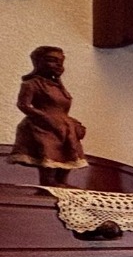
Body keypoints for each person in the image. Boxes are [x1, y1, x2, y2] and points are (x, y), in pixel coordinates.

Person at [11, 46, 86, 185]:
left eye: (60, 62)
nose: (58, 65)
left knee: (67, 151)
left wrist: (73, 123)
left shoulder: (58, 87)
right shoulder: (31, 84)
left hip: (64, 126)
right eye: (52, 60)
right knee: (50, 149)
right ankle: (49, 180)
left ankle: (62, 181)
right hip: (43, 126)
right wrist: (45, 117)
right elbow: (23, 105)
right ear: (38, 62)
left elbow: (62, 108)